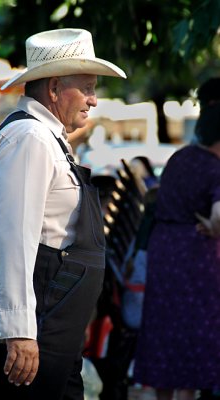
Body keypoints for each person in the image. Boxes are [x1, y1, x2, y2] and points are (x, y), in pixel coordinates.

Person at [0, 28, 126, 400]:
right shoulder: (30, 139)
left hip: (49, 334)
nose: (94, 100)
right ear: (53, 89)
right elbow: (8, 237)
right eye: (87, 87)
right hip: (38, 334)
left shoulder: (43, 139)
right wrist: (14, 331)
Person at [133, 78, 220, 400]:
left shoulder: (179, 158)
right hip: (198, 258)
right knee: (195, 335)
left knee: (163, 332)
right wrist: (213, 229)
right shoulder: (215, 167)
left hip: (164, 249)